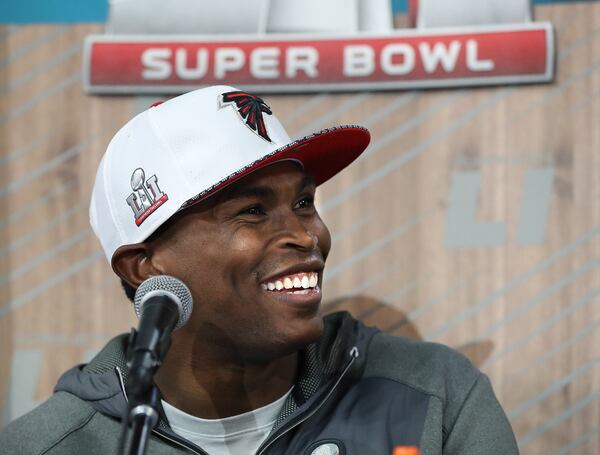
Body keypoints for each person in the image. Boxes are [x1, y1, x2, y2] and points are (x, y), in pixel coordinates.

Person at [0, 85, 518, 455]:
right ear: (145, 266)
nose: (306, 235)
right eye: (252, 211)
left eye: (304, 203)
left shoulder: (436, 396)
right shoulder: (45, 445)